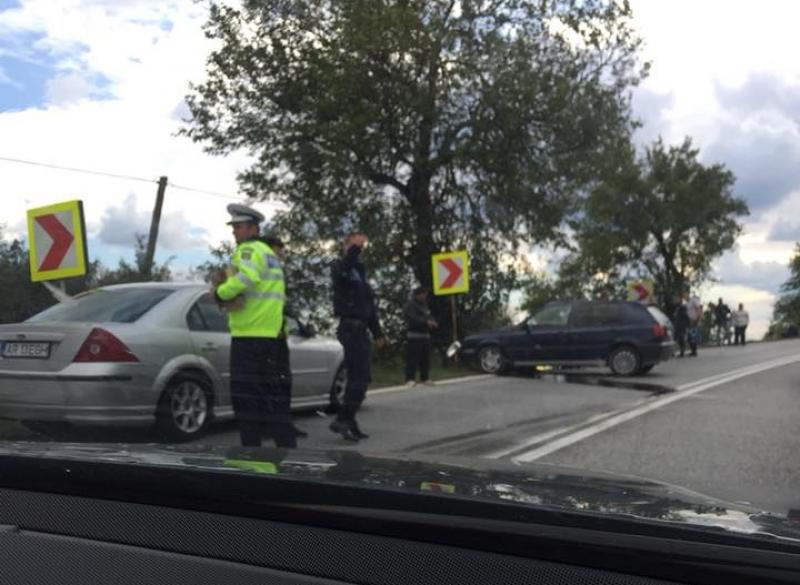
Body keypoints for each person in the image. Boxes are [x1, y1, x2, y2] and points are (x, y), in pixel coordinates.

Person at [214, 204, 296, 448]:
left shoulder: (248, 250)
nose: (234, 232)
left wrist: (221, 292)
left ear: (252, 228)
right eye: (234, 228)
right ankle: (287, 453)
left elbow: (247, 279)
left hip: (249, 336)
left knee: (245, 400)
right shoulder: (269, 254)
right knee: (273, 399)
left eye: (238, 227)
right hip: (270, 336)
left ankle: (251, 459)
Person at [330, 232, 385, 442]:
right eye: (354, 244)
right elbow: (344, 269)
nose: (359, 248)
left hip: (362, 329)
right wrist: (354, 248)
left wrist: (378, 333)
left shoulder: (360, 274)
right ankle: (343, 420)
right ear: (346, 246)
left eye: (360, 245)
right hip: (350, 328)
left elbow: (369, 308)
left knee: (362, 378)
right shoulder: (339, 267)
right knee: (357, 378)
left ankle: (349, 420)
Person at [263, 234, 308, 439]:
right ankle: (273, 425)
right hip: (266, 336)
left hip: (279, 336)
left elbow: (282, 304)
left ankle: (283, 424)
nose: (281, 255)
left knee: (283, 382)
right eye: (278, 250)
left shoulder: (275, 272)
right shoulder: (262, 269)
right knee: (272, 383)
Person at [403, 287, 438, 387]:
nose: (424, 297)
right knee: (412, 358)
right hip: (414, 336)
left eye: (425, 295)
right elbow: (413, 318)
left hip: (425, 336)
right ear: (418, 294)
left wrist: (433, 322)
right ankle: (409, 379)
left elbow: (429, 316)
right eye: (423, 295)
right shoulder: (410, 305)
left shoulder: (424, 306)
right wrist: (425, 322)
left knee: (425, 359)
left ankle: (425, 378)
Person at [673, 294, 692, 358]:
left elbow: (686, 317)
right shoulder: (677, 307)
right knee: (678, 339)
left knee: (681, 339)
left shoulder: (682, 308)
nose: (675, 300)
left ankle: (682, 352)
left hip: (681, 326)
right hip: (677, 325)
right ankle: (680, 352)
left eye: (676, 299)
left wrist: (688, 325)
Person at [686, 292, 703, 356]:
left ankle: (694, 351)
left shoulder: (693, 300)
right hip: (689, 321)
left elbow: (699, 308)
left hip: (694, 320)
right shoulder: (687, 303)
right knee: (690, 336)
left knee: (693, 335)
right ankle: (692, 350)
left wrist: (697, 319)